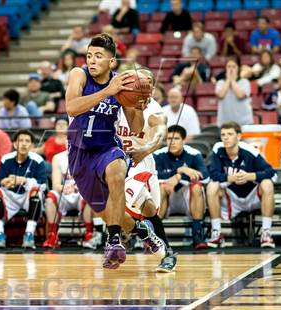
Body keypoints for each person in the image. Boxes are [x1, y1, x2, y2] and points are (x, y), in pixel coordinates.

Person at [66, 33, 164, 269]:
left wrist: (138, 106)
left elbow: (137, 128)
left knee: (117, 172)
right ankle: (141, 230)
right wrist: (106, 92)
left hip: (107, 147)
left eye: (98, 56)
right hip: (79, 154)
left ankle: (113, 241)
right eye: (89, 55)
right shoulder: (79, 74)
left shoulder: (123, 84)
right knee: (107, 213)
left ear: (111, 62)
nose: (91, 60)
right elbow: (72, 107)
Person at [117, 70, 177, 272]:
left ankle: (129, 237)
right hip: (116, 160)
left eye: (148, 83)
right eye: (140, 82)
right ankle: (164, 250)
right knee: (149, 209)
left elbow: (160, 131)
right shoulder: (116, 102)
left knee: (126, 203)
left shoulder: (154, 107)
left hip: (140, 161)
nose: (145, 86)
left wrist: (145, 147)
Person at [206, 122, 277, 248]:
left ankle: (266, 233)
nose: (226, 138)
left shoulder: (249, 151)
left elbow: (271, 171)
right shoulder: (218, 150)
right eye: (223, 135)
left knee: (267, 183)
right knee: (212, 186)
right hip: (231, 198)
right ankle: (216, 233)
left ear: (239, 136)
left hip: (252, 197)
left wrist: (251, 176)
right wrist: (231, 178)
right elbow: (213, 174)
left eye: (230, 134)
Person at [154, 125, 210, 249]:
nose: (172, 142)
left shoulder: (194, 154)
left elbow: (205, 177)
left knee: (197, 187)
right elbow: (153, 176)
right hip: (167, 198)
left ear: (184, 140)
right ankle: (155, 238)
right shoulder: (158, 154)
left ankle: (198, 235)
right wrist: (180, 170)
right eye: (169, 139)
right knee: (161, 186)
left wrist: (179, 177)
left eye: (176, 138)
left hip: (187, 200)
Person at [0, 130, 47, 250]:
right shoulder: (6, 159)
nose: (24, 144)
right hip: (11, 196)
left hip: (28, 196)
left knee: (36, 192)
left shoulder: (38, 160)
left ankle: (29, 235)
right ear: (15, 144)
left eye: (27, 141)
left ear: (31, 146)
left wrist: (23, 180)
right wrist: (4, 182)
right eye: (21, 141)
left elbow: (43, 184)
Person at [43, 148, 97, 249]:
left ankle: (89, 234)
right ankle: (52, 235)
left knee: (90, 194)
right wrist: (64, 188)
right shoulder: (58, 157)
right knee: (50, 197)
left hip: (81, 192)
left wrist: (76, 188)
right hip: (64, 192)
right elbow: (56, 185)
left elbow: (90, 181)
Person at [215, 57, 253, 127]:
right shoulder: (220, 82)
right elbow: (221, 95)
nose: (231, 69)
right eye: (229, 66)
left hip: (244, 122)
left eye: (234, 66)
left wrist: (232, 81)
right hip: (225, 123)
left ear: (238, 68)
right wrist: (228, 80)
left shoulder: (245, 82)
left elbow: (240, 95)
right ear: (225, 68)